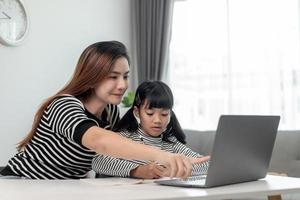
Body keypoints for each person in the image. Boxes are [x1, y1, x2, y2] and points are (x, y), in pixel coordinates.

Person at [0, 41, 199, 179]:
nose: (122, 85)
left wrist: (144, 169)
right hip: (24, 182)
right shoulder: (64, 105)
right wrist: (163, 156)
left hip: (66, 187)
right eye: (113, 77)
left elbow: (111, 154)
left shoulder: (110, 112)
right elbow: (98, 141)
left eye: (126, 76)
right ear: (92, 76)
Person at [92, 81, 210, 179]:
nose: (157, 120)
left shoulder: (171, 143)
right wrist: (136, 171)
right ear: (137, 112)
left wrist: (175, 170)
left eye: (164, 114)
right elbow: (98, 161)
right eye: (150, 113)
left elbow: (207, 164)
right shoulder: (124, 138)